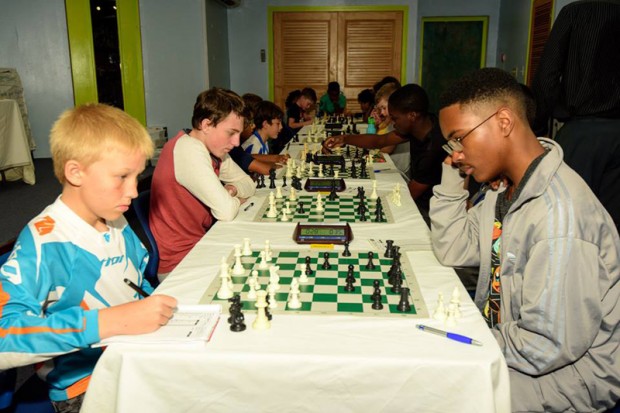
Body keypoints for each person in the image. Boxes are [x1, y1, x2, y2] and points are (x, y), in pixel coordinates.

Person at [430, 67, 620, 412]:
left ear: (504, 122)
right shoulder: (504, 188)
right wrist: (453, 172)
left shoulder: (559, 217)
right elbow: (453, 248)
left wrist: (463, 341)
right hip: (512, 344)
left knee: (435, 393)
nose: (455, 153)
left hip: (570, 377)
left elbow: (545, 347)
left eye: (459, 139)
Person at [0, 103, 177, 412]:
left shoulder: (114, 217)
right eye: (122, 177)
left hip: (134, 357)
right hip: (85, 385)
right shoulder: (45, 240)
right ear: (75, 172)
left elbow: (134, 284)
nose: (134, 192)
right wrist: (110, 322)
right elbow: (5, 338)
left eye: (137, 177)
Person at [532, 0, 620, 233]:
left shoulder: (576, 12)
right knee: (613, 228)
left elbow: (548, 76)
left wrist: (537, 128)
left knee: (566, 217)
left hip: (582, 134)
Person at [149, 88, 256, 280]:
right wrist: (229, 199)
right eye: (231, 133)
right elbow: (226, 211)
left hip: (202, 245)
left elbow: (248, 183)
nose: (236, 142)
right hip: (179, 264)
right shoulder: (188, 149)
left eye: (239, 134)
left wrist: (230, 190)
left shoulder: (213, 150)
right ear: (206, 125)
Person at [324, 83, 446, 220]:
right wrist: (344, 139)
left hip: (429, 211)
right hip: (418, 198)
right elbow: (380, 141)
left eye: (395, 118)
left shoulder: (433, 149)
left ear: (412, 115)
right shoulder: (422, 123)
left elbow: (407, 195)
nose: (392, 122)